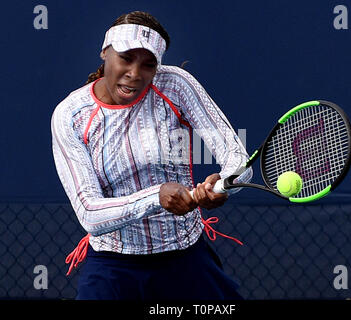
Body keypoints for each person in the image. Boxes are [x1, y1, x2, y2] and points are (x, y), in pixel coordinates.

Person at [51, 11, 252, 300]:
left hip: (184, 257)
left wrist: (223, 185)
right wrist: (156, 197)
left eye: (148, 64)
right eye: (126, 58)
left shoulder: (175, 85)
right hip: (112, 265)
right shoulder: (71, 115)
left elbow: (238, 159)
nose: (134, 73)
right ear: (105, 52)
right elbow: (89, 213)